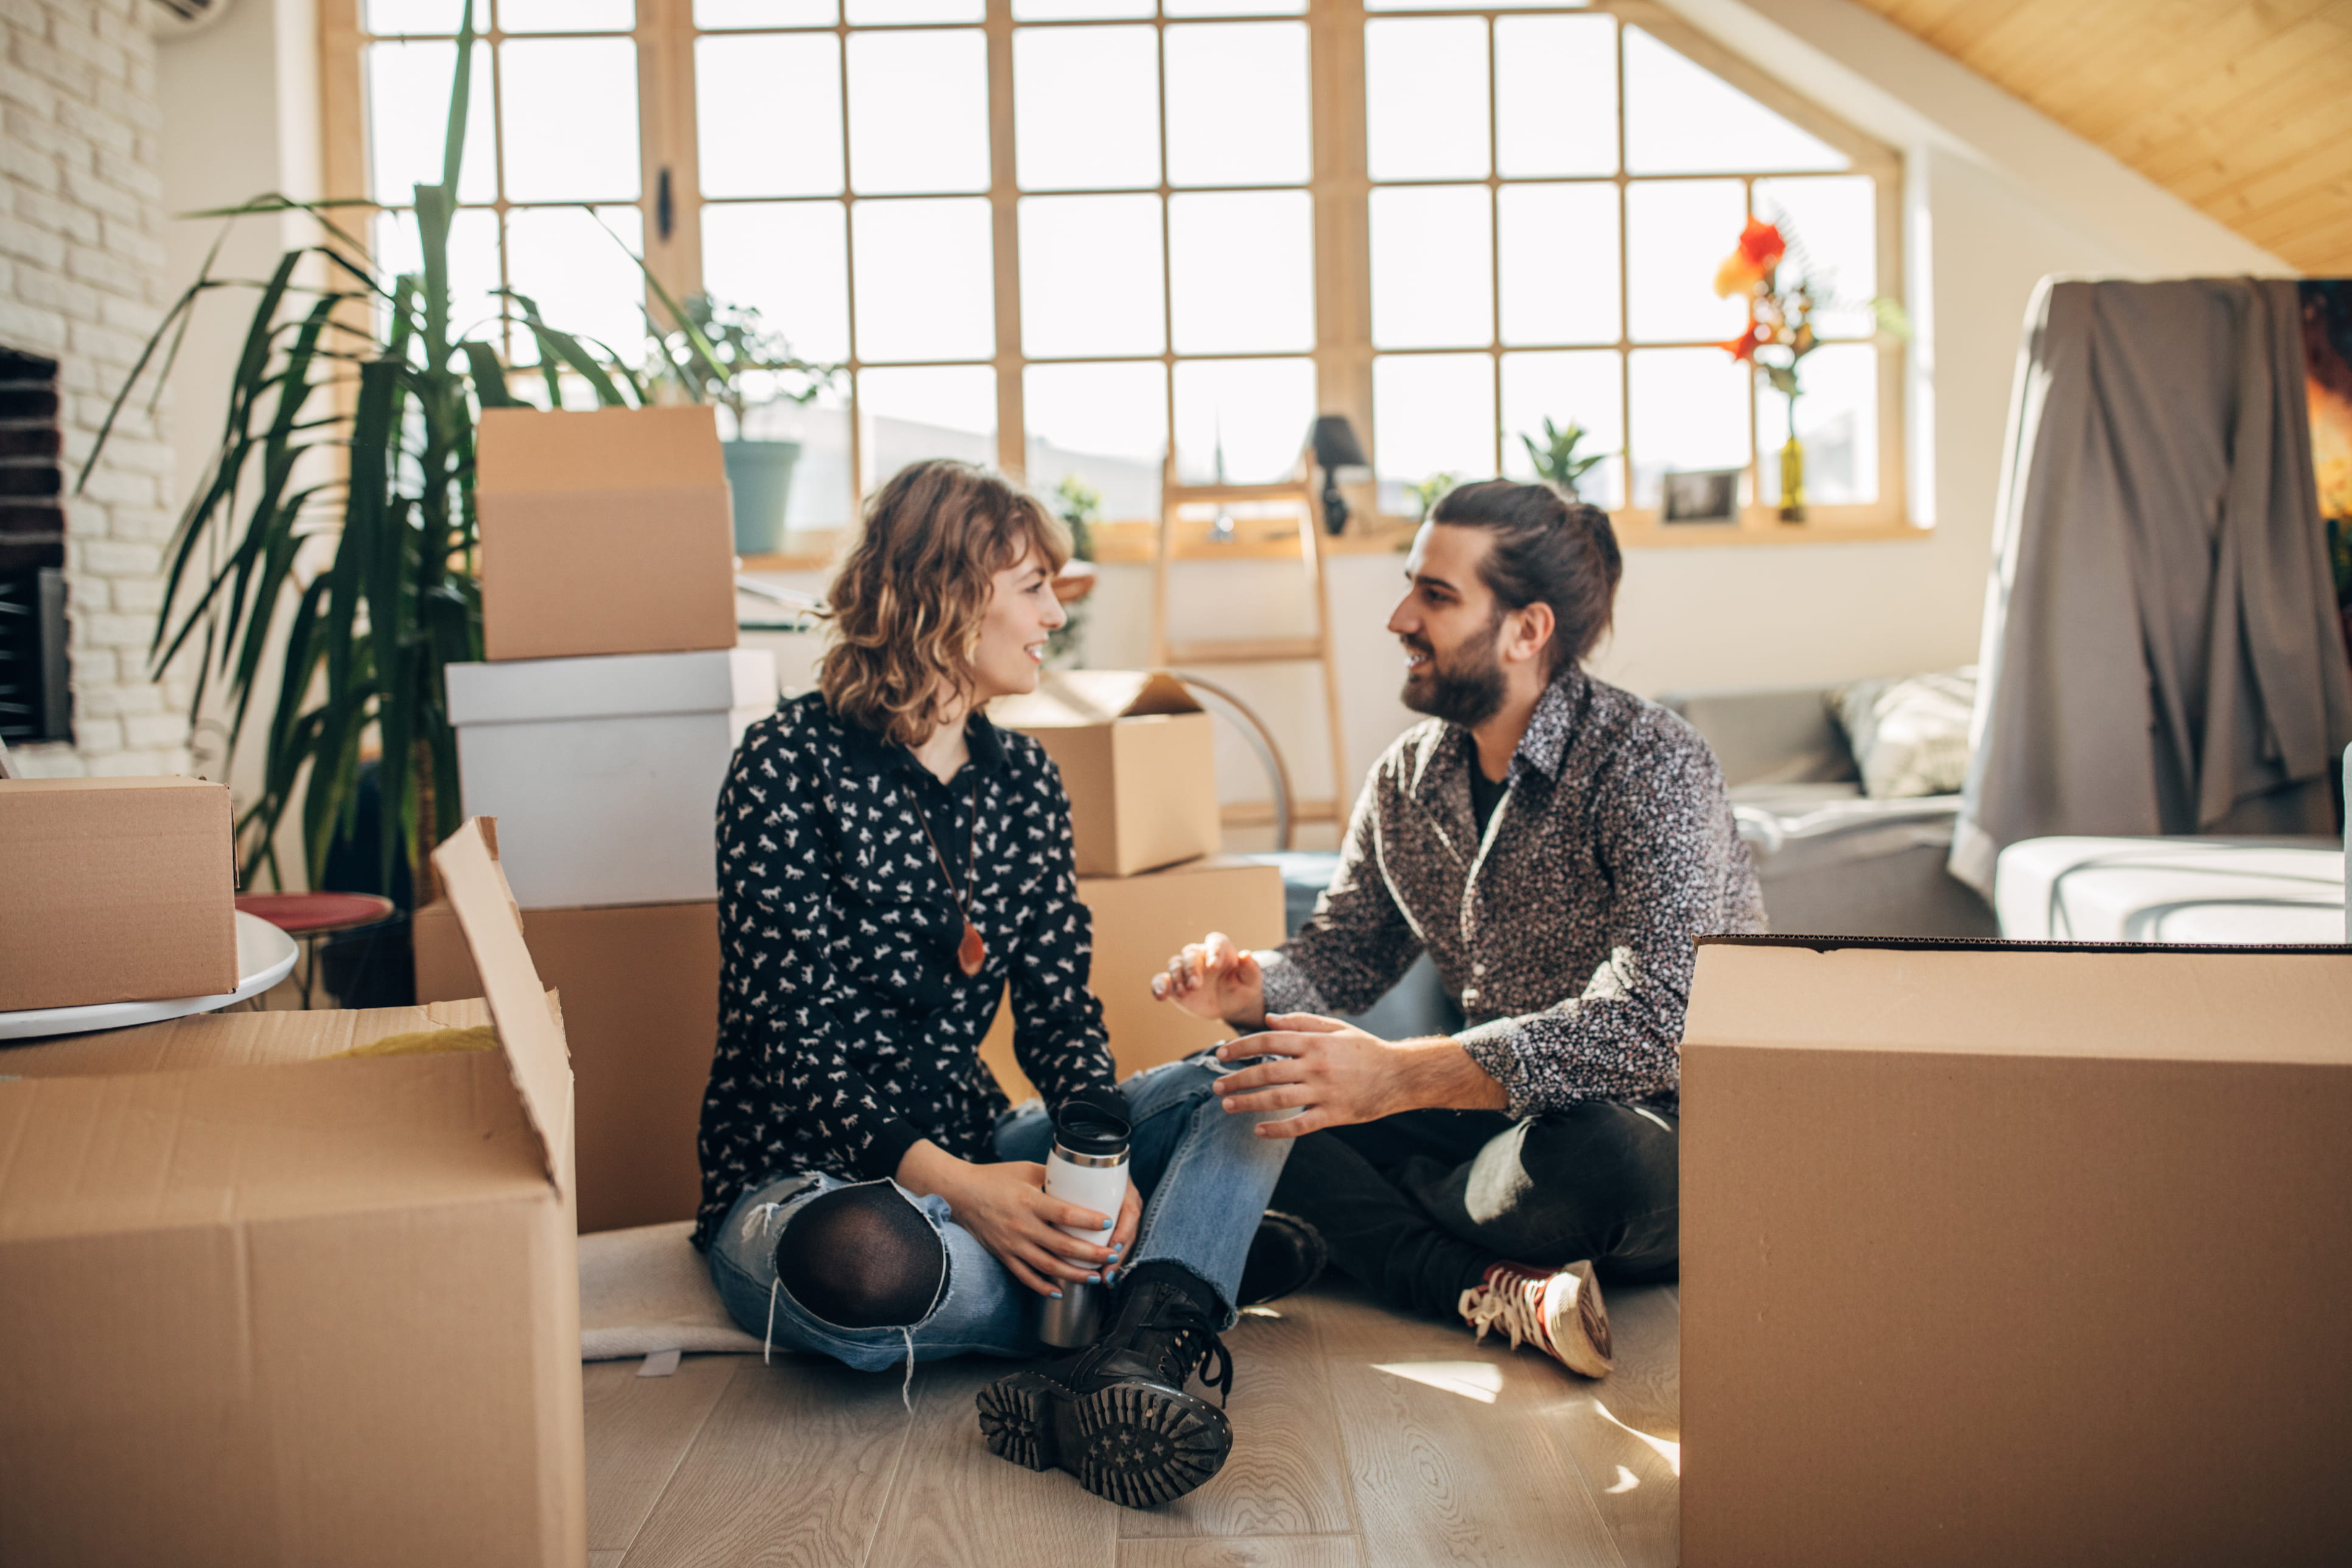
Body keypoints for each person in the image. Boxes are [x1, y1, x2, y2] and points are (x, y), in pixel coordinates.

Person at [693, 459, 1290, 1508]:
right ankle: (1176, 1282)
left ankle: (1128, 1350)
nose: (1055, 614)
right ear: (942, 591)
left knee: (1261, 1079)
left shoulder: (1025, 783)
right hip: (810, 1179)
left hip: (984, 1141)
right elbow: (793, 1043)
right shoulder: (781, 766)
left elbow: (1062, 1012)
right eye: (1033, 588)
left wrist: (1095, 1159)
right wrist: (967, 1192)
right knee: (866, 1268)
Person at [1154, 478, 1763, 1377]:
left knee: (1592, 1159)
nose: (1401, 616)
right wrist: (1253, 990)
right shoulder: (1408, 778)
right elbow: (1345, 953)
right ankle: (1480, 1281)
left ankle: (1347, 1222)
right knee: (1234, 1089)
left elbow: (1660, 1022)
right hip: (1480, 1127)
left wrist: (1397, 1078)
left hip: (1649, 1130)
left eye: (1435, 595)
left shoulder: (1651, 762)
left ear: (1527, 629)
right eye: (1411, 586)